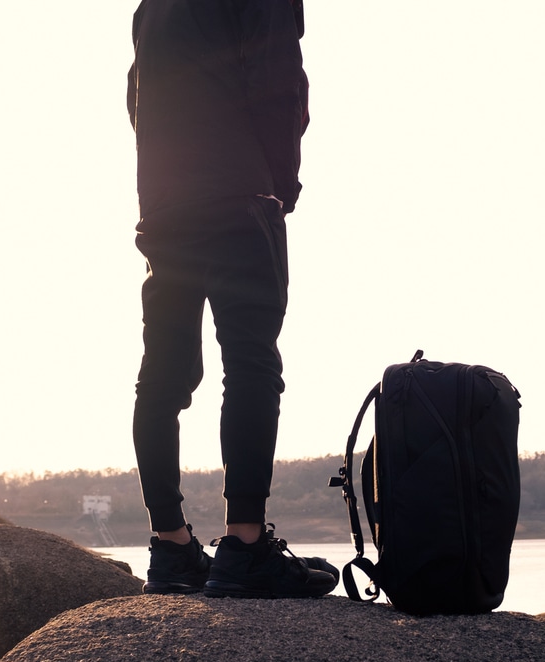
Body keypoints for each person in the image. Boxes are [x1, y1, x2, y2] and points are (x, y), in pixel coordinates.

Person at [128, 0, 337, 599]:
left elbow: (135, 97)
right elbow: (278, 83)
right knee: (250, 363)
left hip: (164, 207)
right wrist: (280, 184)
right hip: (239, 195)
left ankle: (171, 548)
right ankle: (244, 546)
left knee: (161, 379)